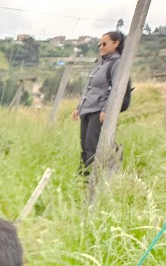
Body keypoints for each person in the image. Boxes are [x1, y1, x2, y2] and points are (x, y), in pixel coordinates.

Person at [72, 30, 125, 176]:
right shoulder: (101, 64)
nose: (100, 47)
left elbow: (116, 89)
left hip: (98, 111)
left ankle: (91, 181)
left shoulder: (117, 63)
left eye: (104, 43)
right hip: (87, 110)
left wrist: (106, 109)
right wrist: (78, 107)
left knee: (91, 147)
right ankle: (82, 177)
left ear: (116, 43)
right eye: (99, 44)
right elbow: (89, 88)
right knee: (84, 146)